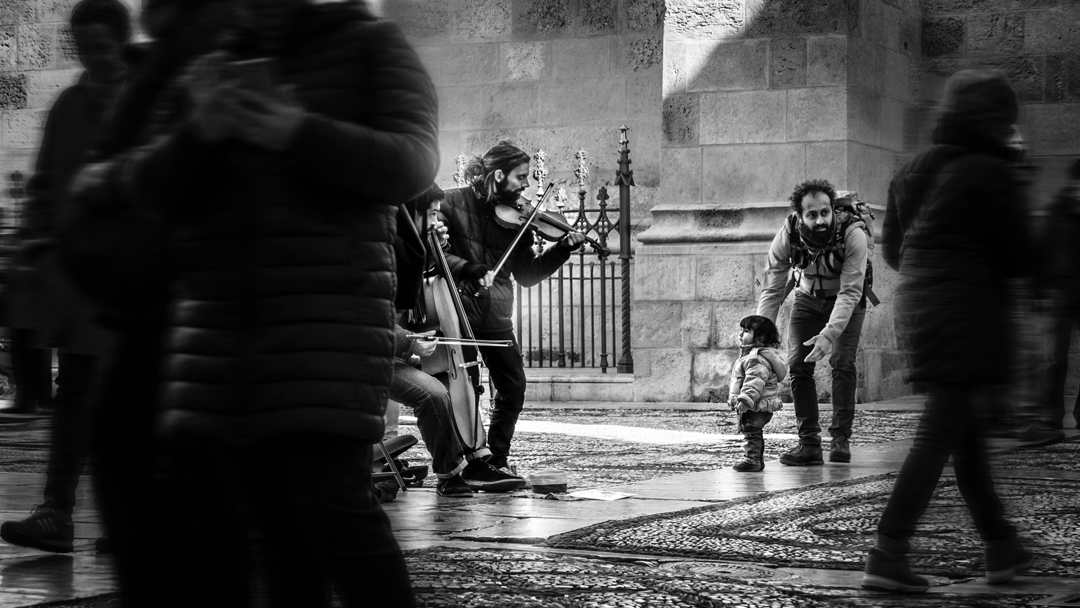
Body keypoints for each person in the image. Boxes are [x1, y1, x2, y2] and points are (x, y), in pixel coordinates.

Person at [70, 0, 438, 605]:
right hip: (220, 344)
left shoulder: (372, 44)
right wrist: (199, 134)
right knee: (275, 537)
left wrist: (297, 130)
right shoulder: (216, 60)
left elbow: (414, 162)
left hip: (323, 334)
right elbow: (152, 188)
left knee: (341, 523)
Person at [864, 69, 1035, 593]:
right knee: (942, 432)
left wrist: (930, 270)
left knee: (965, 435)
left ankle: (1000, 543)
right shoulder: (989, 170)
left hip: (923, 307)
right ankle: (889, 550)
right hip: (968, 312)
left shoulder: (913, 168)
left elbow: (892, 248)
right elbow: (1018, 253)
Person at [0, 0, 130, 554]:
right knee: (78, 395)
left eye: (100, 48)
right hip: (82, 284)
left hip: (133, 283)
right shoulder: (71, 104)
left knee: (124, 402)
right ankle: (59, 511)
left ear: (123, 43)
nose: (91, 60)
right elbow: (48, 183)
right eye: (83, 50)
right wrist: (38, 243)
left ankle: (123, 517)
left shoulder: (149, 100)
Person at [439, 141, 586, 482]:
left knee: (513, 386)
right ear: (499, 175)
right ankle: (464, 463)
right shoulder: (451, 202)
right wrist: (468, 268)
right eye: (521, 177)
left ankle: (497, 457)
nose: (527, 186)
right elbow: (435, 251)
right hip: (457, 310)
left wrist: (562, 249)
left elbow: (527, 275)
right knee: (464, 389)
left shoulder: (518, 219)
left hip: (497, 316)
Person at [389, 185, 525, 496]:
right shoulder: (386, 253)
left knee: (446, 390)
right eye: (433, 213)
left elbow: (417, 282)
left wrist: (429, 248)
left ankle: (477, 458)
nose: (438, 219)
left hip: (390, 349)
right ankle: (450, 473)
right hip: (367, 354)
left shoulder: (404, 249)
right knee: (435, 394)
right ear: (414, 214)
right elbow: (370, 323)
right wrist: (409, 344)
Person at [756, 179, 870, 466]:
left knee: (842, 362)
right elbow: (772, 288)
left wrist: (830, 333)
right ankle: (809, 443)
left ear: (833, 210)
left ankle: (841, 439)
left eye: (825, 213)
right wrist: (759, 338)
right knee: (797, 365)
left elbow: (851, 292)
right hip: (807, 300)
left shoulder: (854, 235)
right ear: (800, 216)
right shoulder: (788, 234)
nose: (820, 220)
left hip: (846, 302)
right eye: (812, 215)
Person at [1042, 159, 1080, 432]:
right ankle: (1053, 411)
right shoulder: (1059, 209)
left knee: (1056, 356)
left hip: (1063, 290)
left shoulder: (1059, 208)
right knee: (1056, 356)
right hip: (1062, 291)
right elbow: (1045, 250)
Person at [727, 315, 787, 473]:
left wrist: (746, 399)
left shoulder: (755, 360)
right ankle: (755, 459)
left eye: (746, 331)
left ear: (759, 338)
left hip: (755, 403)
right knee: (752, 431)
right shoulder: (753, 356)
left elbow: (754, 382)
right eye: (741, 330)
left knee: (751, 430)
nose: (740, 334)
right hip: (758, 403)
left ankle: (752, 459)